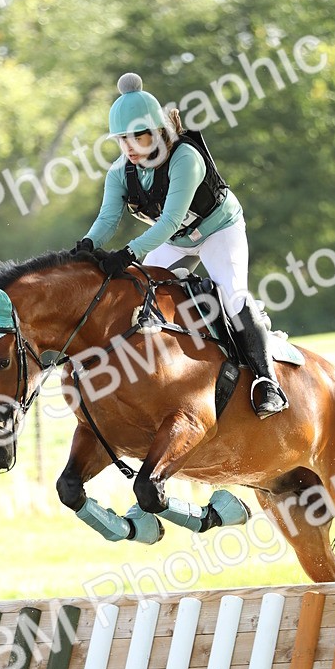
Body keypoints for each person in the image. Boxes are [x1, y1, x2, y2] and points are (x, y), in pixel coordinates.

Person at [72, 73, 288, 417]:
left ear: (158, 131)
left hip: (219, 230)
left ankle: (268, 381)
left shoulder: (186, 157)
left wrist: (129, 253)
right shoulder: (120, 172)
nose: (128, 146)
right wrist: (85, 245)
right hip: (175, 241)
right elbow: (108, 220)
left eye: (136, 135)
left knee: (233, 296)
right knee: (141, 295)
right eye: (121, 138)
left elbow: (170, 219)